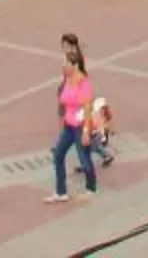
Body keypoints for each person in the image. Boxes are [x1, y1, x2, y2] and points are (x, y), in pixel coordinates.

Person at [45, 36, 99, 202]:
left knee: (84, 159)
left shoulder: (83, 83)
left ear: (74, 66)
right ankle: (61, 192)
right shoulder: (68, 80)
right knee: (58, 155)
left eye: (66, 64)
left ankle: (91, 188)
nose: (63, 67)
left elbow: (87, 108)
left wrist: (85, 130)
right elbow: (64, 100)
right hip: (69, 125)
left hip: (80, 125)